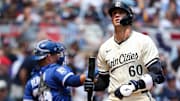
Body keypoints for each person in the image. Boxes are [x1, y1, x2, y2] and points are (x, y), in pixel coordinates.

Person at [84, 0, 165, 101]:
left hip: (139, 97)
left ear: (129, 16)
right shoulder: (105, 48)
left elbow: (157, 74)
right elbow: (104, 81)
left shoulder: (143, 41)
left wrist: (135, 86)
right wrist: (93, 85)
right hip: (115, 98)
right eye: (114, 13)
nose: (117, 15)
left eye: (121, 12)